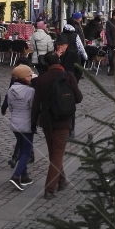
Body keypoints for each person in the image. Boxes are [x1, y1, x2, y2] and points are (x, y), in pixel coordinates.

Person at [31, 51, 82, 196]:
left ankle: (62, 180)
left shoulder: (41, 79)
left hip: (47, 122)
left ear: (46, 64)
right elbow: (79, 98)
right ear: (59, 62)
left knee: (54, 153)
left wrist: (33, 123)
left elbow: (36, 104)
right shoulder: (68, 76)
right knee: (57, 154)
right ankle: (50, 188)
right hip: (64, 121)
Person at [3, 64, 35, 190]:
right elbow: (33, 108)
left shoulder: (11, 90)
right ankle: (16, 176)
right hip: (26, 124)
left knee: (22, 149)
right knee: (26, 152)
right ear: (25, 77)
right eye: (29, 75)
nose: (31, 77)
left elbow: (10, 106)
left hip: (15, 123)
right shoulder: (31, 91)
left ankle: (25, 176)